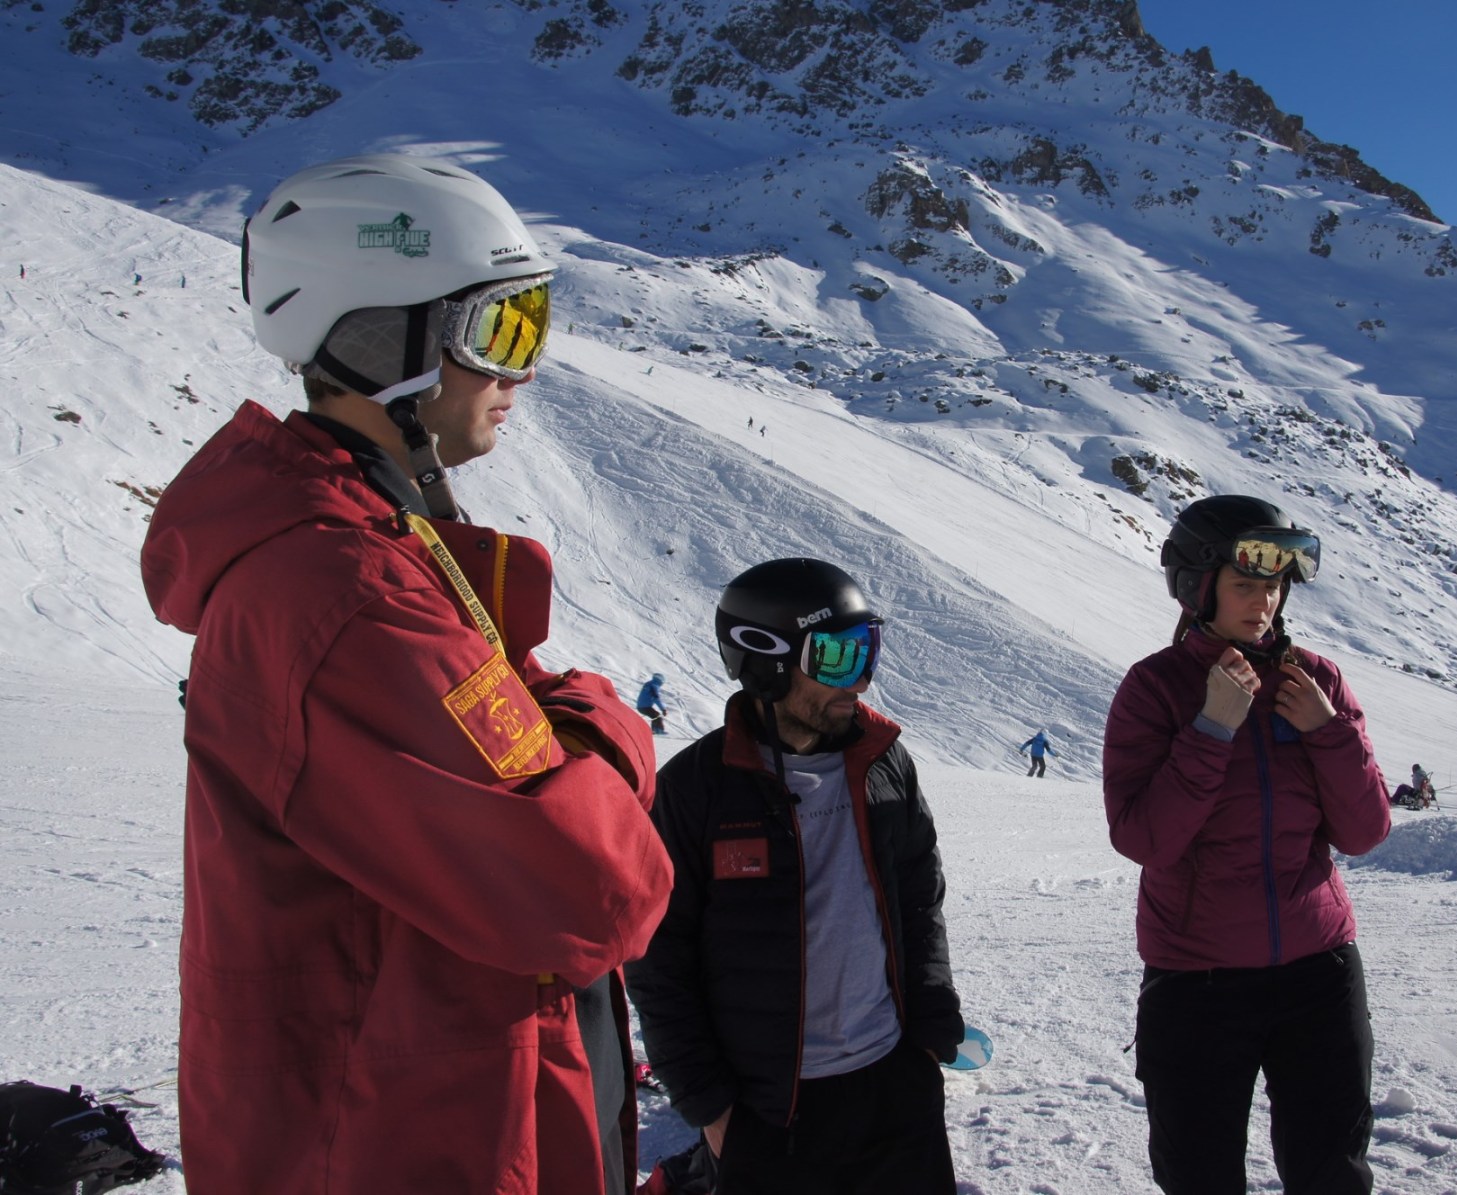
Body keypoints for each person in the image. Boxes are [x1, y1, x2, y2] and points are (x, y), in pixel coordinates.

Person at [140, 153, 674, 1195]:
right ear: (389, 341)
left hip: (432, 1124)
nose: (522, 372)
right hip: (407, 1147)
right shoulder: (350, 599)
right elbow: (588, 890)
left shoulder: (370, 555)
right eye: (500, 330)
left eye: (533, 325)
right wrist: (608, 728)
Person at [626, 558, 964, 1194]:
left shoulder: (884, 763)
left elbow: (921, 901)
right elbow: (657, 957)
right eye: (837, 657)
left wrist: (928, 1037)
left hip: (896, 1089)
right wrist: (711, 1107)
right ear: (768, 663)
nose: (860, 680)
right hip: (768, 1112)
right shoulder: (694, 792)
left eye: (867, 651)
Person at [1103, 495, 1392, 1194]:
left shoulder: (1316, 680)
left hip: (1319, 971)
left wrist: (1328, 731)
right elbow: (1144, 837)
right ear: (1198, 586)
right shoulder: (1156, 688)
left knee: (1333, 1174)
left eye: (1275, 585)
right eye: (1245, 584)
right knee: (1199, 1175)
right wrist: (1210, 729)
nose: (1264, 602)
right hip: (1197, 980)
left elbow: (1365, 831)